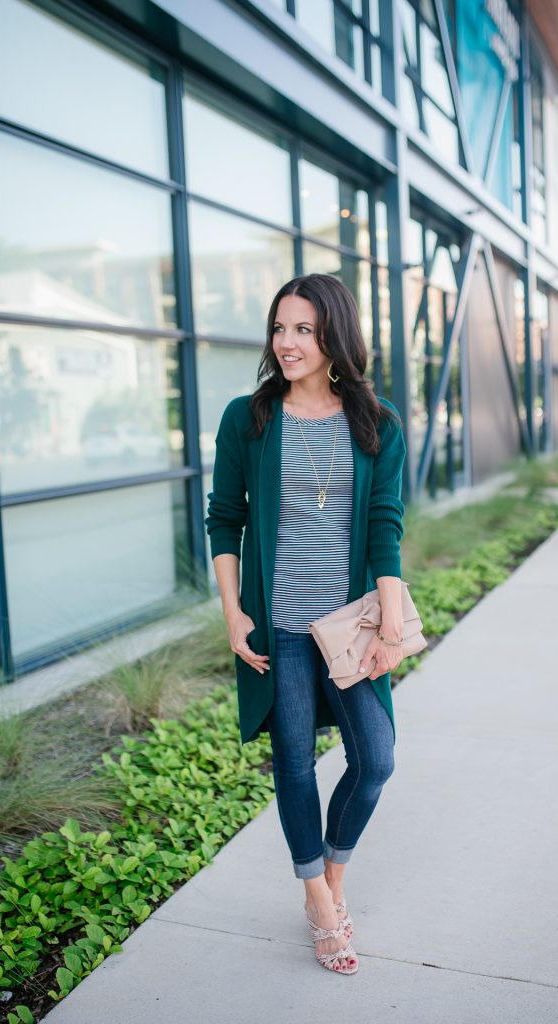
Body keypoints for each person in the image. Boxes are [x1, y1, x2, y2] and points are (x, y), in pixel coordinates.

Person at [205, 273, 408, 976]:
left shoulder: (376, 422)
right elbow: (224, 518)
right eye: (279, 328)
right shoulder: (249, 417)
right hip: (281, 629)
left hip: (348, 628)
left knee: (376, 759)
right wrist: (234, 612)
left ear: (334, 339)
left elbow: (385, 527)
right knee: (292, 762)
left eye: (304, 330)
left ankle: (334, 875)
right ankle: (317, 900)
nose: (286, 343)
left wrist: (390, 621)